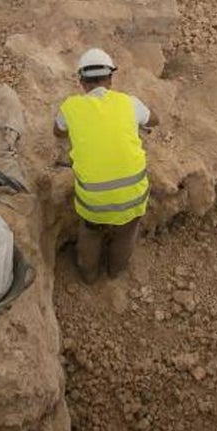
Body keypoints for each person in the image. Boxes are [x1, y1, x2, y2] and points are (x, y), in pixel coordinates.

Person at [55, 48, 156, 283]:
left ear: (81, 81)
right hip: (133, 196)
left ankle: (88, 276)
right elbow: (155, 120)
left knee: (90, 231)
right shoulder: (129, 103)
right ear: (110, 79)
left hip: (94, 202)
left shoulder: (70, 107)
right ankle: (115, 272)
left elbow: (58, 132)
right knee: (126, 233)